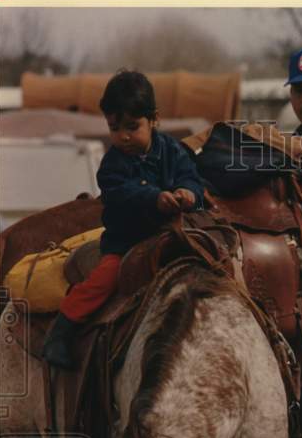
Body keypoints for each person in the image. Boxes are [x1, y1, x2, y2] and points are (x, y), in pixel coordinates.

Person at [43, 70, 208, 369]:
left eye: (133, 126)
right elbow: (122, 192)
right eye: (115, 127)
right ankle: (62, 329)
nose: (124, 136)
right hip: (127, 242)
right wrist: (154, 198)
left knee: (212, 264)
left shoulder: (175, 151)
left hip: (173, 236)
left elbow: (193, 181)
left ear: (154, 119)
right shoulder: (112, 164)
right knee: (106, 279)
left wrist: (188, 194)